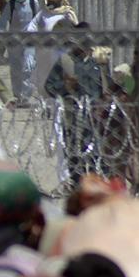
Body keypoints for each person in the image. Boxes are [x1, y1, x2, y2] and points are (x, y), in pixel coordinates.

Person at [45, 22, 104, 186]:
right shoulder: (66, 62)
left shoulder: (97, 63)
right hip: (73, 117)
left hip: (94, 117)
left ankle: (92, 185)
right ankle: (77, 186)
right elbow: (49, 86)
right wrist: (65, 86)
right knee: (74, 154)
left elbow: (105, 88)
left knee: (94, 155)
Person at [0, 0, 40, 104]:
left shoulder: (33, 3)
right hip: (14, 43)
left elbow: (38, 20)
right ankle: (18, 96)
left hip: (29, 41)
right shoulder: (10, 5)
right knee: (16, 70)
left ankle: (26, 96)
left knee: (28, 67)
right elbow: (2, 23)